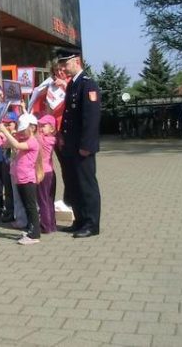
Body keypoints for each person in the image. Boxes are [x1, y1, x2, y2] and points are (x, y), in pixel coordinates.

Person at [57, 49, 102, 238]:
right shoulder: (72, 85)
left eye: (66, 64)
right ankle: (80, 220)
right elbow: (68, 116)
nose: (63, 68)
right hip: (70, 146)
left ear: (77, 61)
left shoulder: (87, 84)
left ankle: (92, 224)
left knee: (86, 185)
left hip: (82, 147)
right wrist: (62, 136)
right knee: (73, 184)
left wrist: (86, 145)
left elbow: (91, 118)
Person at [0, 114, 42, 245]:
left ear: (33, 128)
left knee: (31, 207)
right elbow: (6, 145)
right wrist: (10, 134)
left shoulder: (33, 141)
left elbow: (17, 145)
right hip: (21, 179)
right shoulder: (23, 138)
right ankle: (30, 229)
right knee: (26, 205)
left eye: (23, 130)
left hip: (28, 179)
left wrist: (5, 131)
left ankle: (35, 234)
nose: (21, 132)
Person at [37, 114, 58, 233]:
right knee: (49, 200)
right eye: (40, 125)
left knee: (43, 200)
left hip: (43, 173)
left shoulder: (44, 140)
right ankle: (52, 224)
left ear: (52, 128)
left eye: (43, 126)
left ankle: (45, 226)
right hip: (50, 172)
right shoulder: (52, 139)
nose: (40, 128)